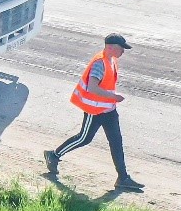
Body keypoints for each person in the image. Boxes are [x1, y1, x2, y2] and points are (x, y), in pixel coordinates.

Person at [45, 33, 145, 192]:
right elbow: (92, 88)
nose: (123, 51)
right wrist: (114, 97)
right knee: (84, 138)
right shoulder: (100, 63)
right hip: (95, 111)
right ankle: (54, 155)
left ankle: (123, 178)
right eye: (121, 48)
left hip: (109, 110)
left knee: (116, 141)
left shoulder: (112, 60)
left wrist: (111, 100)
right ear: (110, 47)